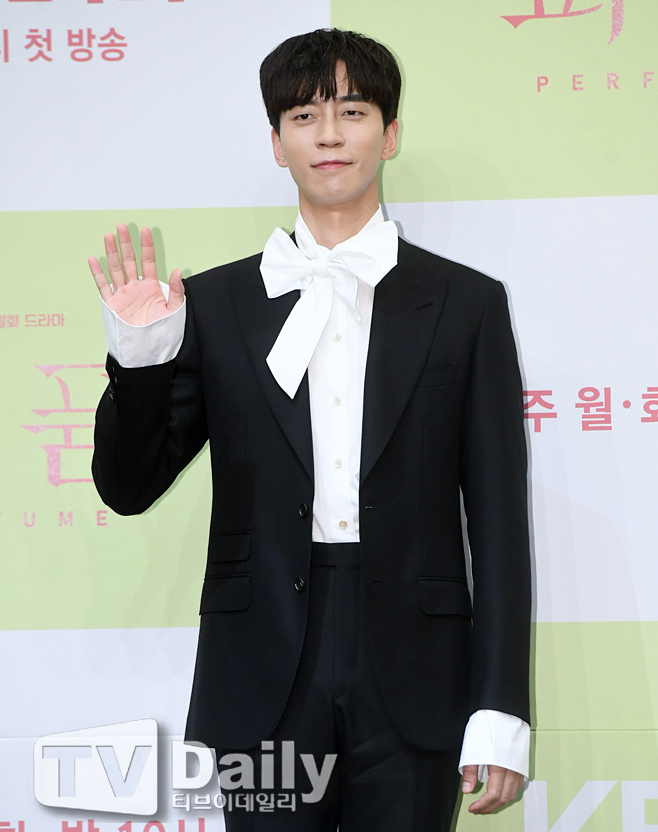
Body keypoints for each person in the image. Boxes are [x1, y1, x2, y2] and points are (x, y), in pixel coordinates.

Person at [90, 28, 531, 831]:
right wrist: (142, 357)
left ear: (389, 134)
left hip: (416, 667)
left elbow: (500, 526)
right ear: (277, 143)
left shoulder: (466, 305)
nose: (329, 134)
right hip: (262, 662)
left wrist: (500, 708)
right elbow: (128, 487)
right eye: (304, 116)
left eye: (352, 111)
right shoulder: (216, 305)